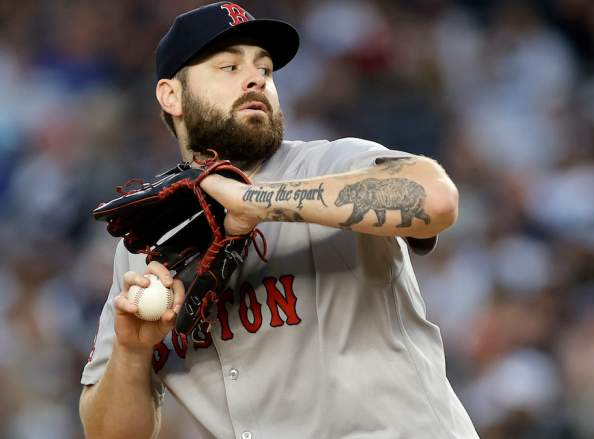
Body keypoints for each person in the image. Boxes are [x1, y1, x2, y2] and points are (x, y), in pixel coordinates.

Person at [78, 2, 478, 438]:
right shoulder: (146, 245)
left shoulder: (332, 163)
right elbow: (109, 433)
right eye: (229, 67)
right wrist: (133, 354)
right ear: (170, 96)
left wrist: (254, 199)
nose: (255, 79)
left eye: (265, 69)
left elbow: (437, 199)